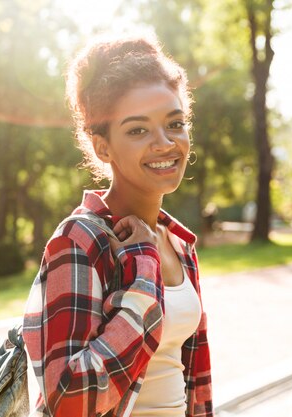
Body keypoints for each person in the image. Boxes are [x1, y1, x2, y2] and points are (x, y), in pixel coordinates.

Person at [23, 35, 213, 417]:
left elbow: (193, 382)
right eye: (138, 130)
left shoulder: (177, 242)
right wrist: (144, 272)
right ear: (102, 146)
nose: (165, 143)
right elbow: (68, 400)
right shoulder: (79, 241)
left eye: (175, 123)